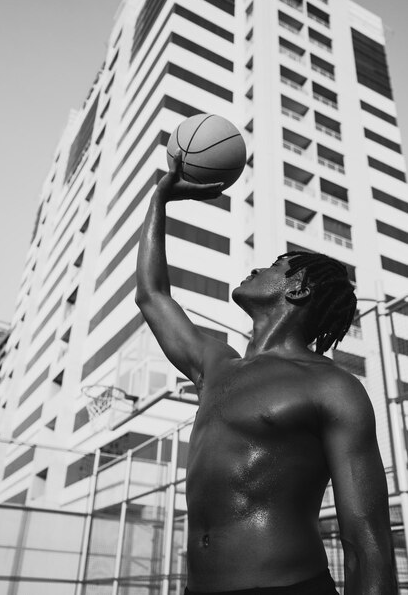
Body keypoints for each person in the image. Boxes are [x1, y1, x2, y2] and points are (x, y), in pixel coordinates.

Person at [135, 151, 397, 595]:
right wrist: (160, 198)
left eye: (276, 265)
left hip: (288, 586)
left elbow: (366, 539)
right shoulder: (215, 365)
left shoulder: (332, 387)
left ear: (297, 288)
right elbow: (152, 296)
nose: (259, 268)